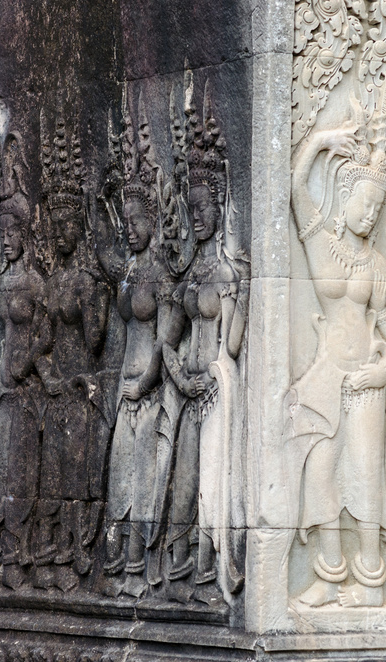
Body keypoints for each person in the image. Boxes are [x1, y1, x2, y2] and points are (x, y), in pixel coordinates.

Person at [287, 87, 386, 607]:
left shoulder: (377, 266)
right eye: (363, 203)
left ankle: (371, 579)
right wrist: (319, 140)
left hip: (364, 377)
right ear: (345, 199)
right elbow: (296, 188)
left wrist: (383, 367)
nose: (369, 214)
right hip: (324, 375)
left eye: (377, 207)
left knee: (363, 473)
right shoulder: (320, 242)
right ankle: (330, 573)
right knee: (321, 469)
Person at [162, 89, 249, 603]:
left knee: (211, 482)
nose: (196, 217)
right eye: (189, 208)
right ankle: (175, 565)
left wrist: (239, 298)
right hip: (183, 389)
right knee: (181, 481)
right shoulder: (187, 271)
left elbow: (233, 345)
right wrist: (176, 373)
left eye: (203, 208)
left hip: (215, 390)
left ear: (219, 207)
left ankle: (208, 567)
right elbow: (167, 338)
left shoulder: (229, 273)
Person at [96, 101, 177, 598]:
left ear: (154, 220)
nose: (129, 227)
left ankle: (140, 564)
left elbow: (166, 336)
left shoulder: (162, 274)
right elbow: (114, 328)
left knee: (144, 472)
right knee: (120, 474)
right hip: (123, 382)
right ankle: (118, 555)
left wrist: (145, 383)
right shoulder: (126, 271)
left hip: (148, 385)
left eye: (136, 218)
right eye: (125, 219)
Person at [35, 117, 111, 590]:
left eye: (69, 223)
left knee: (82, 471)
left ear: (80, 225)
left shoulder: (84, 281)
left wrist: (97, 297)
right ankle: (59, 542)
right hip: (59, 386)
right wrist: (46, 377)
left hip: (84, 384)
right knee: (55, 469)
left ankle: (82, 544)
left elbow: (96, 340)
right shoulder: (51, 283)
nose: (63, 232)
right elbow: (41, 345)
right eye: (56, 224)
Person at [0, 132, 49, 590]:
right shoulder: (1, 277)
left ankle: (20, 550)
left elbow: (46, 336)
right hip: (0, 389)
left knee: (21, 470)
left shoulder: (36, 283)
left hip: (25, 388)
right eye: (2, 234)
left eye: (13, 234)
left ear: (26, 236)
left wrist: (32, 367)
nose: (4, 241)